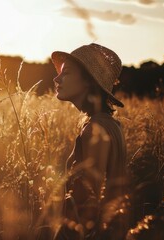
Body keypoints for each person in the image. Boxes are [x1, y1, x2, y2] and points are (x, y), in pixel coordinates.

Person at [50, 43, 129, 240]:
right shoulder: (113, 125)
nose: (56, 78)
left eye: (65, 73)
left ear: (88, 81)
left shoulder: (94, 129)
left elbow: (87, 202)